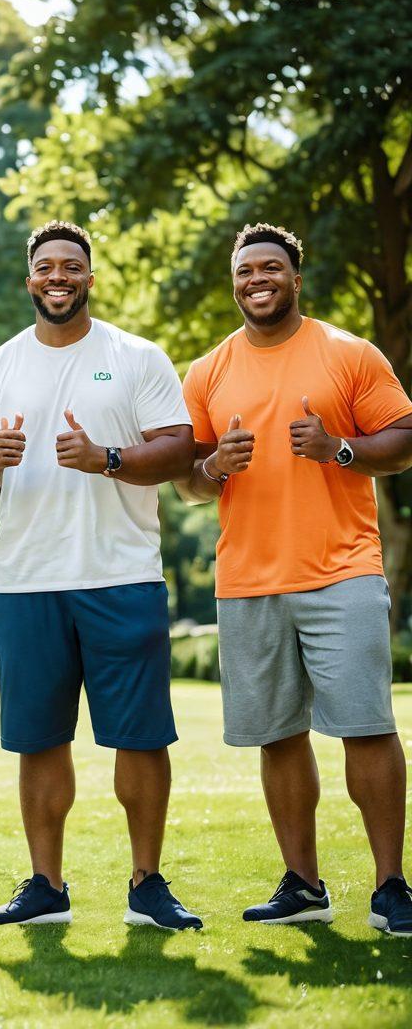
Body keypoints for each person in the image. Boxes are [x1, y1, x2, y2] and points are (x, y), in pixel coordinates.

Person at [0, 220, 202, 930]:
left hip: (120, 575)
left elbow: (181, 452)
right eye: (46, 266)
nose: (58, 275)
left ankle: (148, 884)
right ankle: (45, 885)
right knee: (39, 738)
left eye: (72, 265)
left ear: (89, 278)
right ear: (29, 279)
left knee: (140, 735)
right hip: (26, 581)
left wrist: (108, 459)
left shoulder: (135, 356)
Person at [179, 222, 412, 936]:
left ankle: (392, 885)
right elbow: (186, 480)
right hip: (248, 580)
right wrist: (216, 467)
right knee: (278, 735)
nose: (258, 278)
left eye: (271, 267)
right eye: (246, 269)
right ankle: (303, 884)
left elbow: (402, 439)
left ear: (295, 278)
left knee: (366, 727)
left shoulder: (348, 353)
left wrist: (339, 448)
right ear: (235, 281)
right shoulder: (207, 372)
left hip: (341, 571)